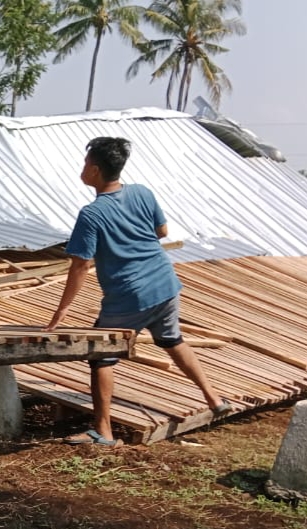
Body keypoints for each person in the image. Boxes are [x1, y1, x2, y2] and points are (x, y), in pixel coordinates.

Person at [45, 136, 230, 446]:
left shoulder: (92, 214)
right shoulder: (142, 192)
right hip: (165, 283)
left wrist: (60, 312)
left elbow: (80, 266)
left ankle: (103, 432)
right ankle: (214, 398)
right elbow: (162, 232)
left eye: (85, 163)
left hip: (131, 295)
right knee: (172, 340)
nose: (82, 168)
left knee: (101, 357)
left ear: (94, 170)